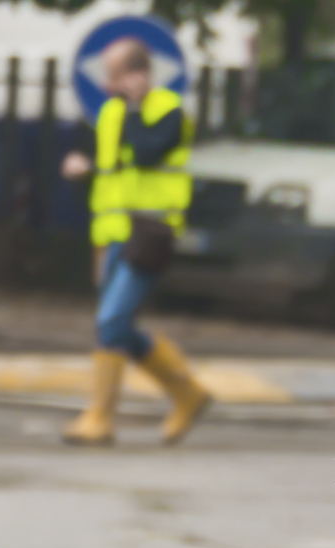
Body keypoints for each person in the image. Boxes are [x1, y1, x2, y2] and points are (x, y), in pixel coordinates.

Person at [59, 38, 211, 448]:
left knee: (110, 322)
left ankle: (100, 417)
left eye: (114, 75)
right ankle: (187, 393)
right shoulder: (110, 114)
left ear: (137, 75)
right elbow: (114, 169)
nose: (106, 85)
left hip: (149, 234)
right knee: (118, 325)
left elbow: (143, 153)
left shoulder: (168, 113)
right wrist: (83, 167)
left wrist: (135, 105)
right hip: (111, 235)